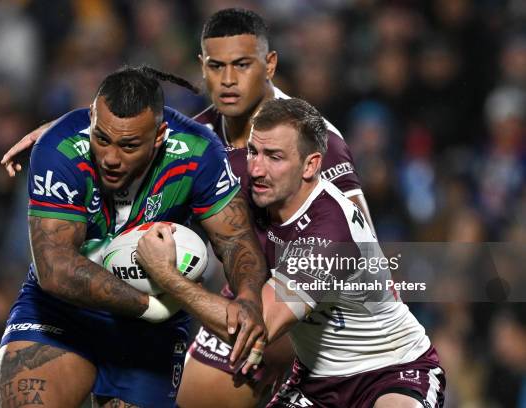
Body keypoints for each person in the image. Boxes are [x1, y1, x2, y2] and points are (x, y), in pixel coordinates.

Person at [0, 8, 376, 407]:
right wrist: (62, 132)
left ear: (270, 65)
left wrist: (269, 309)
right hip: (111, 303)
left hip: (309, 310)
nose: (228, 80)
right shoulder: (206, 132)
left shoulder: (316, 143)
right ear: (202, 66)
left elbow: (354, 239)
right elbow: (140, 128)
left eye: (242, 65)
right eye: (216, 66)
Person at [136, 98, 446, 408]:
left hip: (392, 371)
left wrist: (168, 276)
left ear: (310, 165)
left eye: (274, 157)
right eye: (254, 151)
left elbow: (258, 327)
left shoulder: (330, 232)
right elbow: (172, 153)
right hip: (317, 383)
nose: (257, 168)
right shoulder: (248, 173)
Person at [0, 66, 268, 408]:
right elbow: (55, 268)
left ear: (159, 136)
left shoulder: (198, 153)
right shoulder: (60, 147)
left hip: (151, 332)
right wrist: (153, 306)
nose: (110, 157)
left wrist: (249, 298)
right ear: (92, 118)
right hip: (64, 309)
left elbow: (236, 240)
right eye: (102, 139)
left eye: (128, 146)